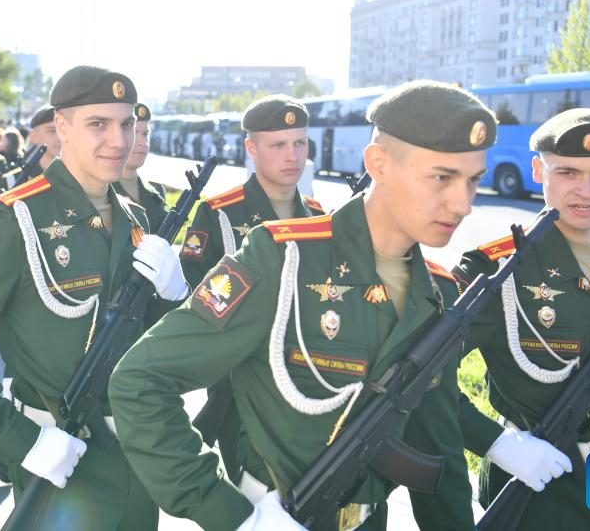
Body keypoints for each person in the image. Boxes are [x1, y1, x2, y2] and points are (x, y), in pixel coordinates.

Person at [108, 80, 497, 530]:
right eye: (441, 178)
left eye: (473, 181)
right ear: (378, 164)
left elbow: (439, 449)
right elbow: (140, 380)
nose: (463, 204)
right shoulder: (280, 257)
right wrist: (231, 515)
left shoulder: (439, 292)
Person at [0, 66, 187, 529]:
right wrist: (21, 440)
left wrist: (176, 297)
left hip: (137, 452)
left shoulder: (136, 218)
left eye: (127, 124)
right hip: (60, 456)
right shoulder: (14, 218)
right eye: (98, 124)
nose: (119, 140)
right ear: (62, 127)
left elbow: (149, 341)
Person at [455, 108, 590, 531]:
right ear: (538, 170)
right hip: (537, 474)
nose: (587, 191)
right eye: (568, 172)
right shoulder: (497, 270)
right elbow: (426, 380)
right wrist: (496, 443)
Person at [178, 94, 324, 482]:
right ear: (251, 148)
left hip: (309, 386)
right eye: (278, 145)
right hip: (240, 390)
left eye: (300, 142)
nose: (292, 155)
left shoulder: (320, 217)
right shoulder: (219, 213)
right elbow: (194, 297)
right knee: (254, 495)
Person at [113, 102, 168, 234]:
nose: (143, 142)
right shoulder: (102, 191)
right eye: (135, 132)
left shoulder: (156, 191)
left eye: (145, 134)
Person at [26, 103, 61, 171]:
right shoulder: (15, 177)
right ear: (33, 136)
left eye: (63, 130)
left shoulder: (79, 175)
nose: (60, 137)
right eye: (52, 131)